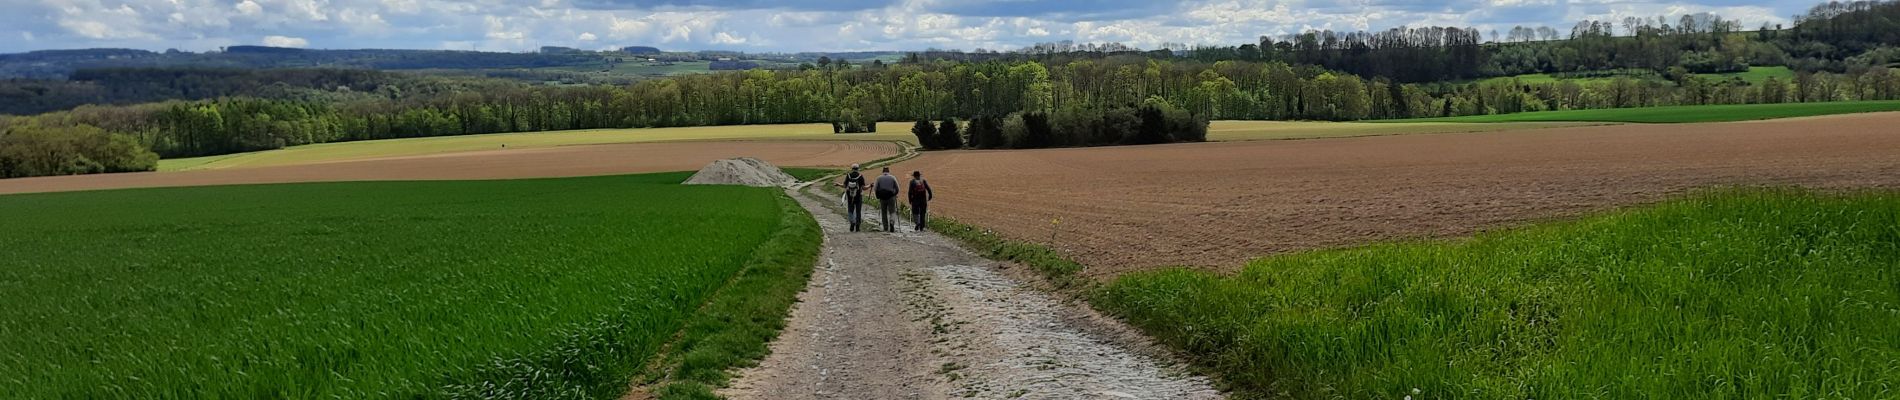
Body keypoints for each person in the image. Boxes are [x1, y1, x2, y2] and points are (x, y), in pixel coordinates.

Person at [837, 164, 867, 232]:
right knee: (858, 211)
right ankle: (857, 226)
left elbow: (844, 185)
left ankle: (852, 222)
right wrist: (870, 186)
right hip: (858, 196)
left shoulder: (848, 175)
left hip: (850, 196)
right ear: (858, 169)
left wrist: (838, 184)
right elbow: (864, 188)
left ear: (852, 169)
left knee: (850, 210)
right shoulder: (860, 176)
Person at [873, 167, 900, 232]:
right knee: (892, 211)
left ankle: (885, 227)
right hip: (891, 197)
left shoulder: (878, 178)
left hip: (882, 197)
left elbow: (875, 188)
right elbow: (897, 188)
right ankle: (892, 222)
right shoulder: (893, 177)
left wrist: (877, 196)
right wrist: (895, 194)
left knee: (884, 212)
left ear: (883, 171)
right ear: (888, 171)